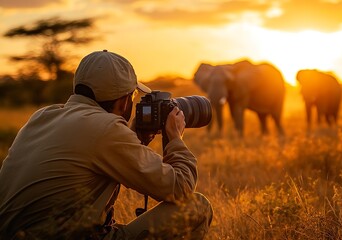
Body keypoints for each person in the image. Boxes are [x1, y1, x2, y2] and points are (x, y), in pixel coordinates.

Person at [0, 50, 213, 239]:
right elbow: (179, 188)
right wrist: (175, 138)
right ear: (123, 101)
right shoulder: (106, 129)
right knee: (197, 207)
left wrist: (133, 138)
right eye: (134, 95)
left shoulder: (44, 115)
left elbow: (89, 158)